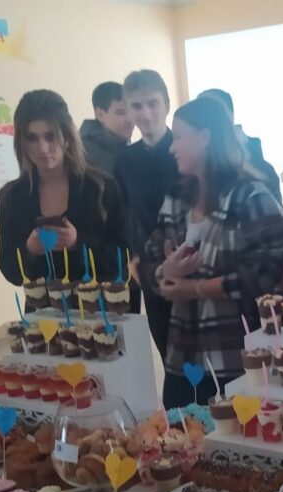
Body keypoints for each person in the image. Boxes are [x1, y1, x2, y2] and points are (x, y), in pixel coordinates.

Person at [144, 98, 283, 408]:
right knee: (181, 433)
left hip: (238, 360)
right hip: (182, 359)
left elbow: (268, 274)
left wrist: (196, 288)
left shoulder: (251, 197)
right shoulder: (176, 198)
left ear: (205, 137)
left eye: (179, 137)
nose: (171, 147)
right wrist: (166, 271)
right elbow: (149, 259)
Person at [0, 90, 128, 286]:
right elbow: (10, 270)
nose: (43, 148)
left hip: (99, 302)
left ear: (66, 136)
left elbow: (123, 257)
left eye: (50, 136)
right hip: (41, 303)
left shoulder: (101, 188)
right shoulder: (11, 197)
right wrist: (29, 250)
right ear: (21, 143)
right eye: (32, 138)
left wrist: (78, 243)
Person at [116, 69, 179, 352]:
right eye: (137, 106)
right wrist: (134, 257)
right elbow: (125, 214)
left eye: (152, 103)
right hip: (150, 270)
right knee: (166, 349)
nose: (146, 113)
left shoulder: (185, 150)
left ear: (166, 105)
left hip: (192, 265)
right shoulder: (124, 161)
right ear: (129, 111)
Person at [197, 88, 282, 204]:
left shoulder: (262, 172)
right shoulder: (190, 171)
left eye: (214, 112)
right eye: (199, 113)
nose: (206, 120)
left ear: (230, 117)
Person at [80, 81, 133, 177]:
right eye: (121, 112)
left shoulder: (125, 147)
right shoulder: (83, 154)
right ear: (100, 114)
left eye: (132, 111)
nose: (130, 119)